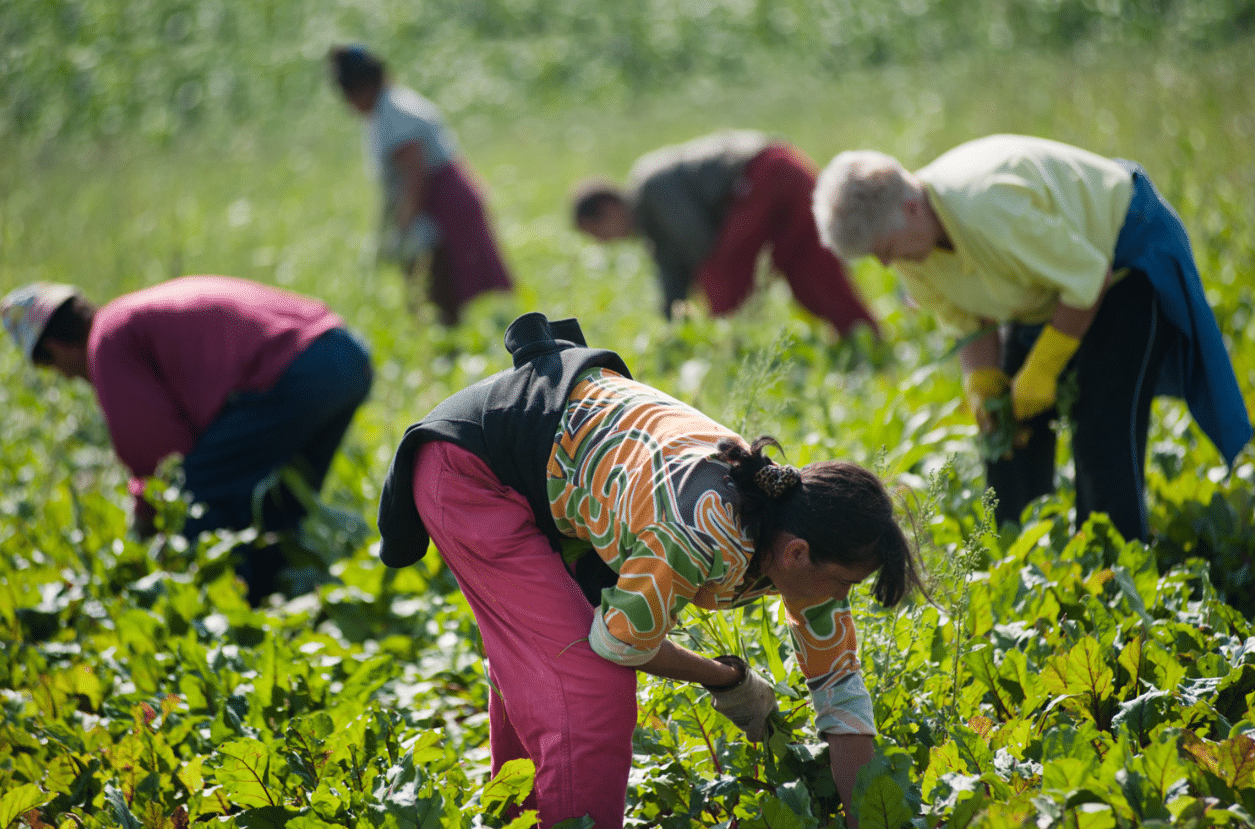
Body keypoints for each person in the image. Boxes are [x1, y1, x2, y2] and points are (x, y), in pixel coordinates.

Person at [376, 312, 924, 828]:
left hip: (548, 462)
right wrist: (728, 679)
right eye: (845, 583)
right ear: (798, 554)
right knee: (588, 687)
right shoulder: (698, 530)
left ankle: (518, 813)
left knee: (544, 664)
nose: (841, 598)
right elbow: (619, 644)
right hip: (473, 469)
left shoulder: (792, 529)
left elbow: (843, 700)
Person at [812, 134, 1252, 541]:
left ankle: (1113, 558)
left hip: (1120, 263)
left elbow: (1088, 276)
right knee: (1007, 432)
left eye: (885, 249)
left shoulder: (989, 208)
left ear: (911, 209)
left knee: (1101, 426)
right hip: (1044, 288)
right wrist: (983, 382)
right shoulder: (913, 252)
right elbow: (969, 320)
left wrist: (1043, 366)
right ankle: (1021, 551)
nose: (886, 265)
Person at [2, 275, 374, 605]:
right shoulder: (128, 317)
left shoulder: (107, 341)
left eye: (51, 366)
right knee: (281, 499)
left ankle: (236, 615)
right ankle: (298, 597)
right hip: (344, 355)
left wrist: (144, 527)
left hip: (302, 370)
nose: (66, 377)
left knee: (198, 499)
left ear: (54, 348)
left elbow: (162, 459)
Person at [571, 130, 881, 339]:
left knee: (722, 276)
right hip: (787, 167)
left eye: (598, 233)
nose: (604, 243)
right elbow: (672, 276)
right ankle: (864, 335)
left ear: (609, 209)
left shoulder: (650, 187)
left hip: (765, 173)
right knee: (807, 268)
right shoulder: (651, 225)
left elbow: (700, 243)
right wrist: (673, 327)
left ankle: (734, 354)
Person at [329, 45, 513, 327]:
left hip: (441, 203)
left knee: (440, 285)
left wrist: (402, 229)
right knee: (434, 286)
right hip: (431, 201)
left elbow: (414, 178)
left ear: (360, 89)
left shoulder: (395, 113)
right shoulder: (384, 110)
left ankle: (447, 341)